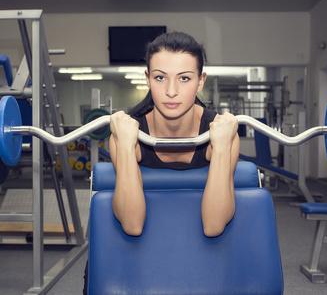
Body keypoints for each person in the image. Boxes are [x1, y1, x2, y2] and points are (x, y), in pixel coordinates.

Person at [83, 31, 239, 294]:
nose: (171, 91)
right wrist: (123, 142)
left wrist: (223, 146)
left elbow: (214, 226)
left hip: (200, 261)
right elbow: (132, 225)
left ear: (201, 81)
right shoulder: (128, 135)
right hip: (132, 263)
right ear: (148, 79)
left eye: (184, 78)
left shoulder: (220, 135)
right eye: (160, 77)